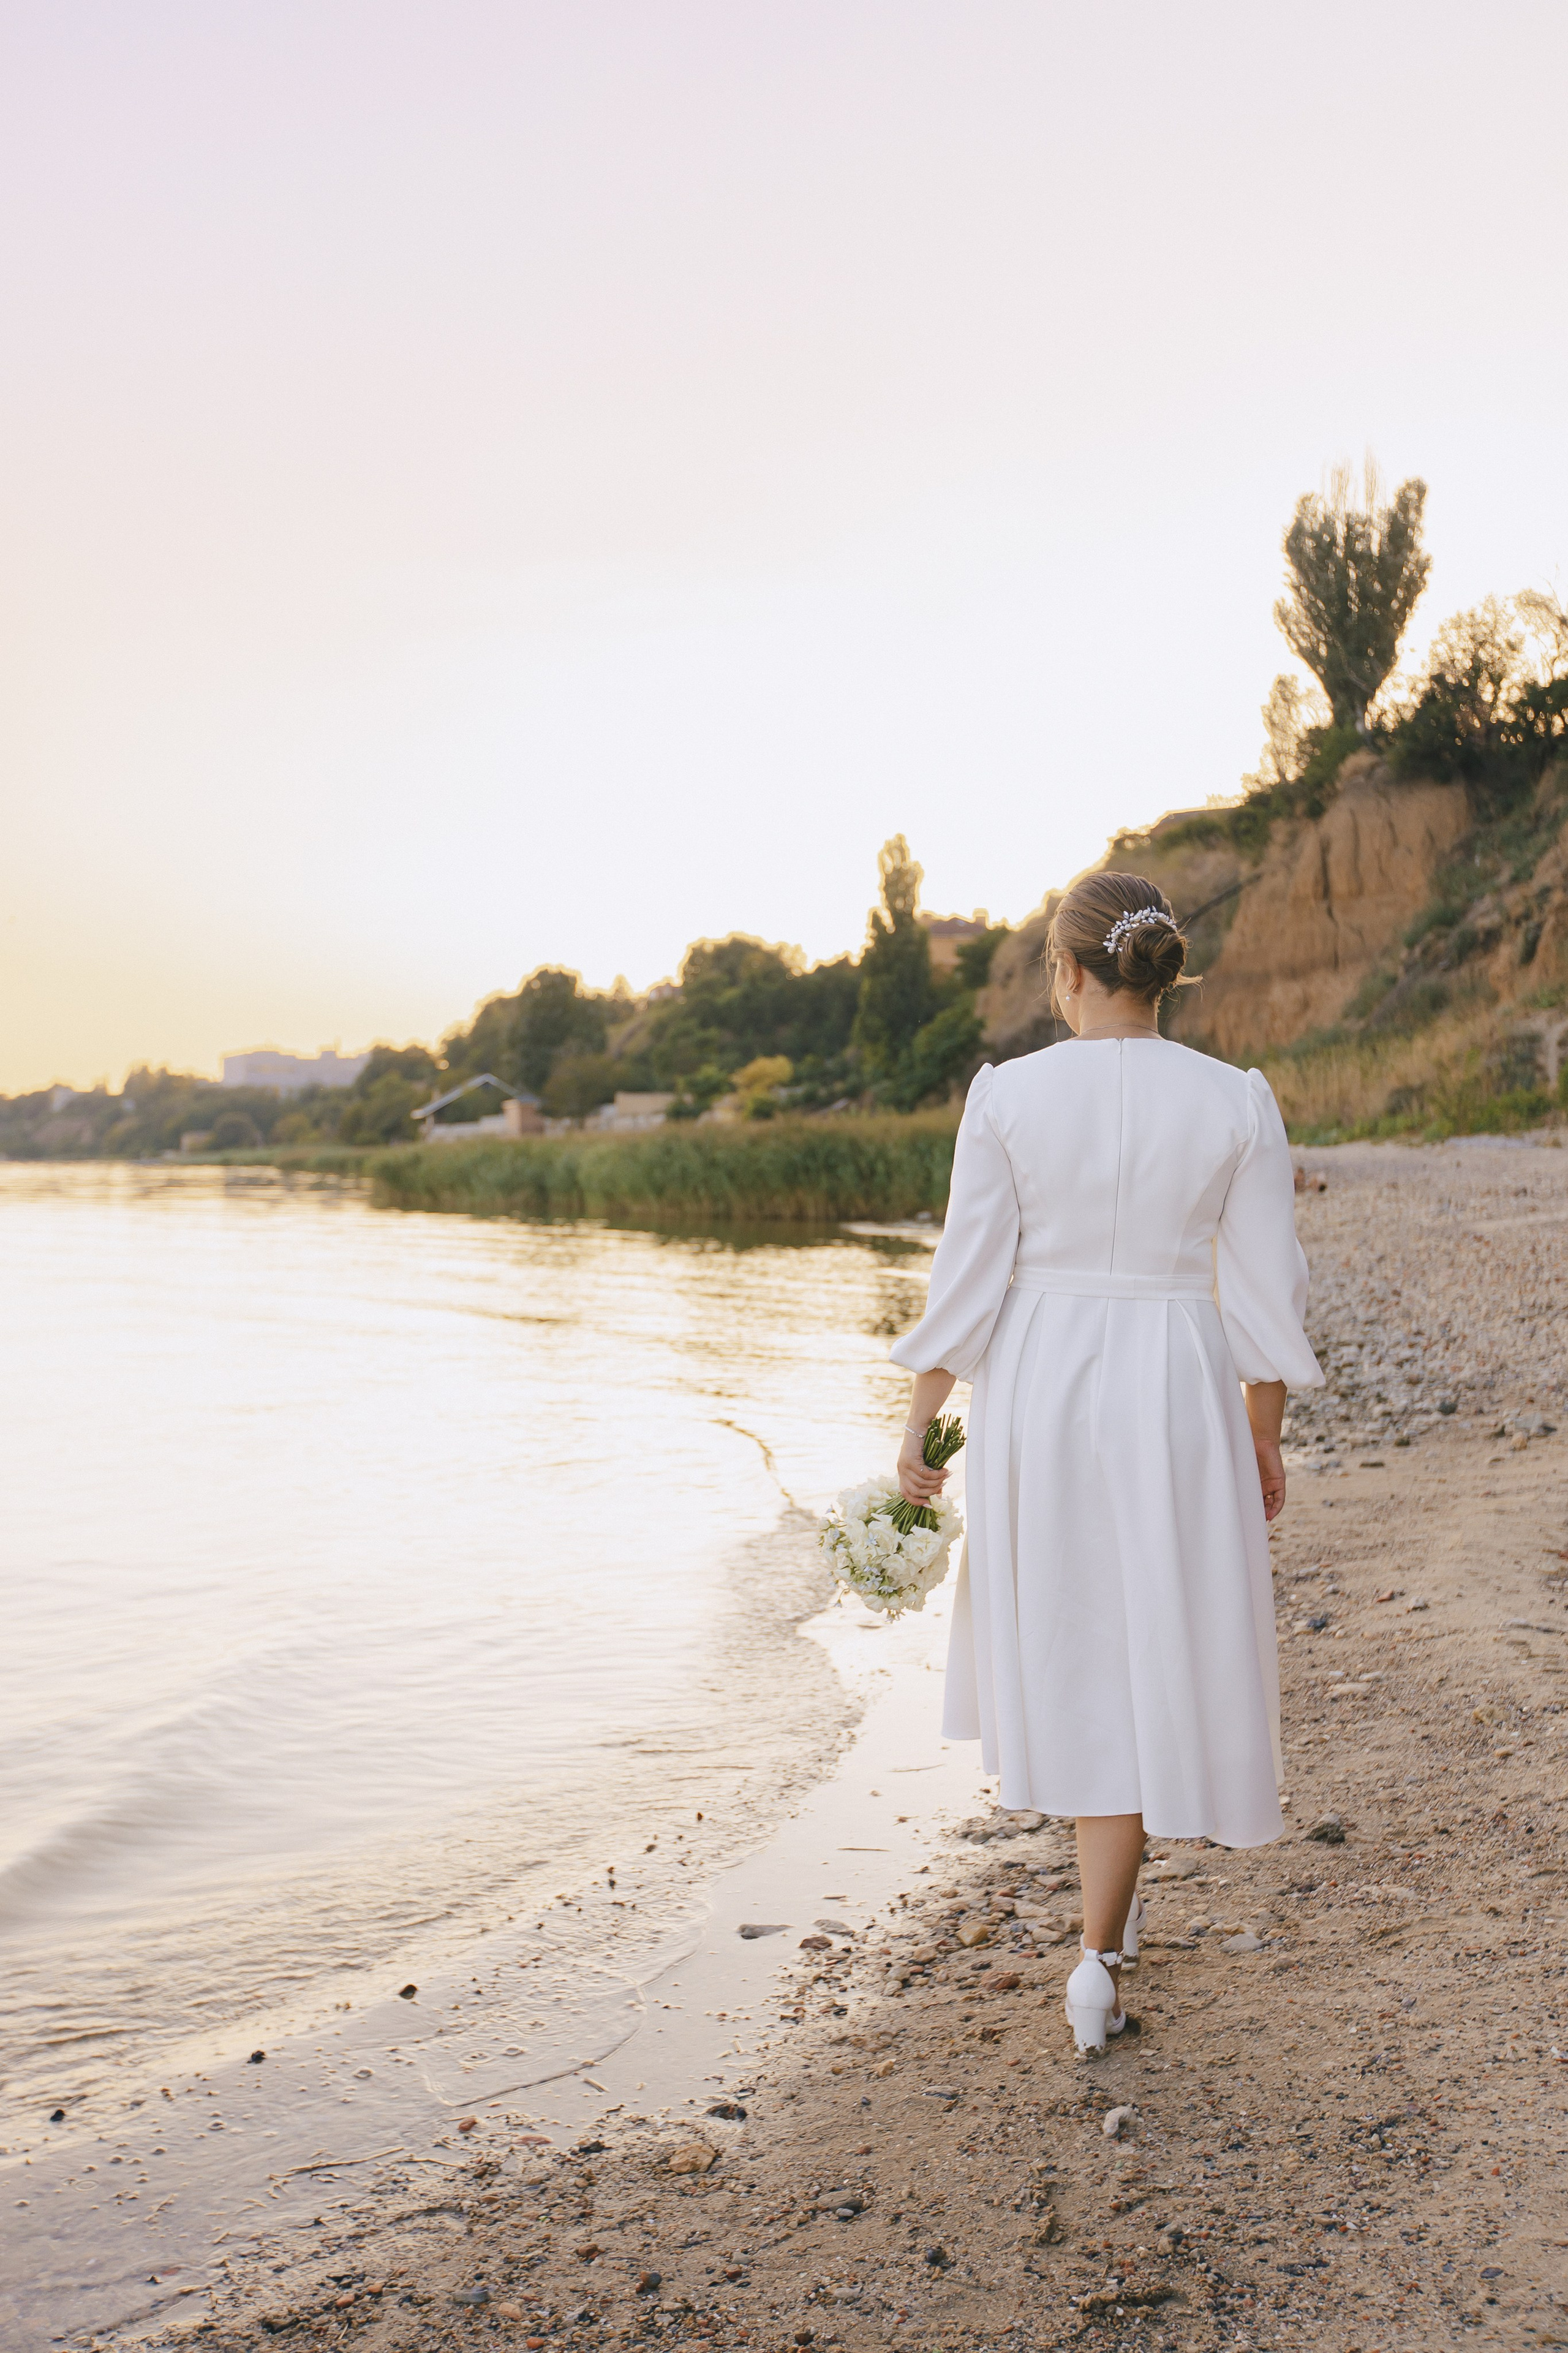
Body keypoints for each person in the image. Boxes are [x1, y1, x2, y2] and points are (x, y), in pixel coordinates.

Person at [889, 871, 1323, 2053]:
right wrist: (1265, 1425)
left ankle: (1097, 1949)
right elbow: (1267, 1287)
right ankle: (1098, 1949)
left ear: (1068, 974)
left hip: (1046, 1380)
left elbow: (968, 1276)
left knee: (1082, 1641)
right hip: (1178, 1378)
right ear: (1161, 974)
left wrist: (925, 1432)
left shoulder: (1008, 1095)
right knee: (1150, 1637)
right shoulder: (1235, 1099)